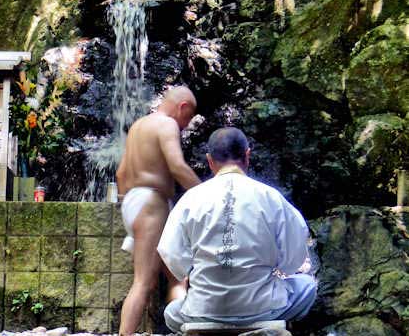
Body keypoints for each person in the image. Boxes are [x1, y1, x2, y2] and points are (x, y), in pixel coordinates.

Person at [158, 127, 317, 331]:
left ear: (209, 160)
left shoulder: (190, 199)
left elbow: (173, 258)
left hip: (204, 311)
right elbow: (292, 260)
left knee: (171, 313)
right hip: (263, 307)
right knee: (307, 286)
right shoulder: (270, 197)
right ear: (247, 155)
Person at [116, 86, 202, 336]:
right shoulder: (167, 125)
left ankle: (185, 329)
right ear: (182, 107)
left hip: (132, 202)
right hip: (152, 204)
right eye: (188, 118)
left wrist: (131, 207)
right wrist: (208, 192)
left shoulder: (138, 126)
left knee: (176, 275)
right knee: (143, 282)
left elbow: (121, 172)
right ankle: (125, 334)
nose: (186, 126)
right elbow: (177, 166)